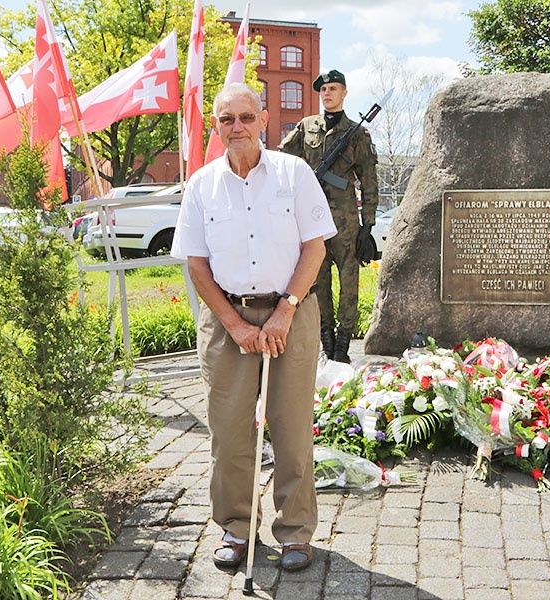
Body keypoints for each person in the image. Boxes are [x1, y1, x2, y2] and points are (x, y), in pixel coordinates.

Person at [171, 82, 336, 572]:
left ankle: (295, 533)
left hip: (292, 311)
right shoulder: (201, 185)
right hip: (227, 319)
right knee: (229, 431)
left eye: (245, 117)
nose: (237, 127)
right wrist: (235, 325)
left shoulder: (294, 173)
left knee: (290, 428)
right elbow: (197, 265)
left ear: (264, 120)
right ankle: (236, 529)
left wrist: (284, 310)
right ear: (217, 126)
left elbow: (316, 248)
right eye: (227, 119)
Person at [278, 69, 379, 363]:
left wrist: (367, 224)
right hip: (311, 218)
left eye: (333, 88)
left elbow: (369, 179)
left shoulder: (357, 132)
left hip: (345, 220)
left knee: (349, 282)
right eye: (323, 90)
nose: (327, 93)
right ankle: (326, 341)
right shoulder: (306, 126)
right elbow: (282, 159)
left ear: (344, 93)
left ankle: (343, 345)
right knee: (317, 280)